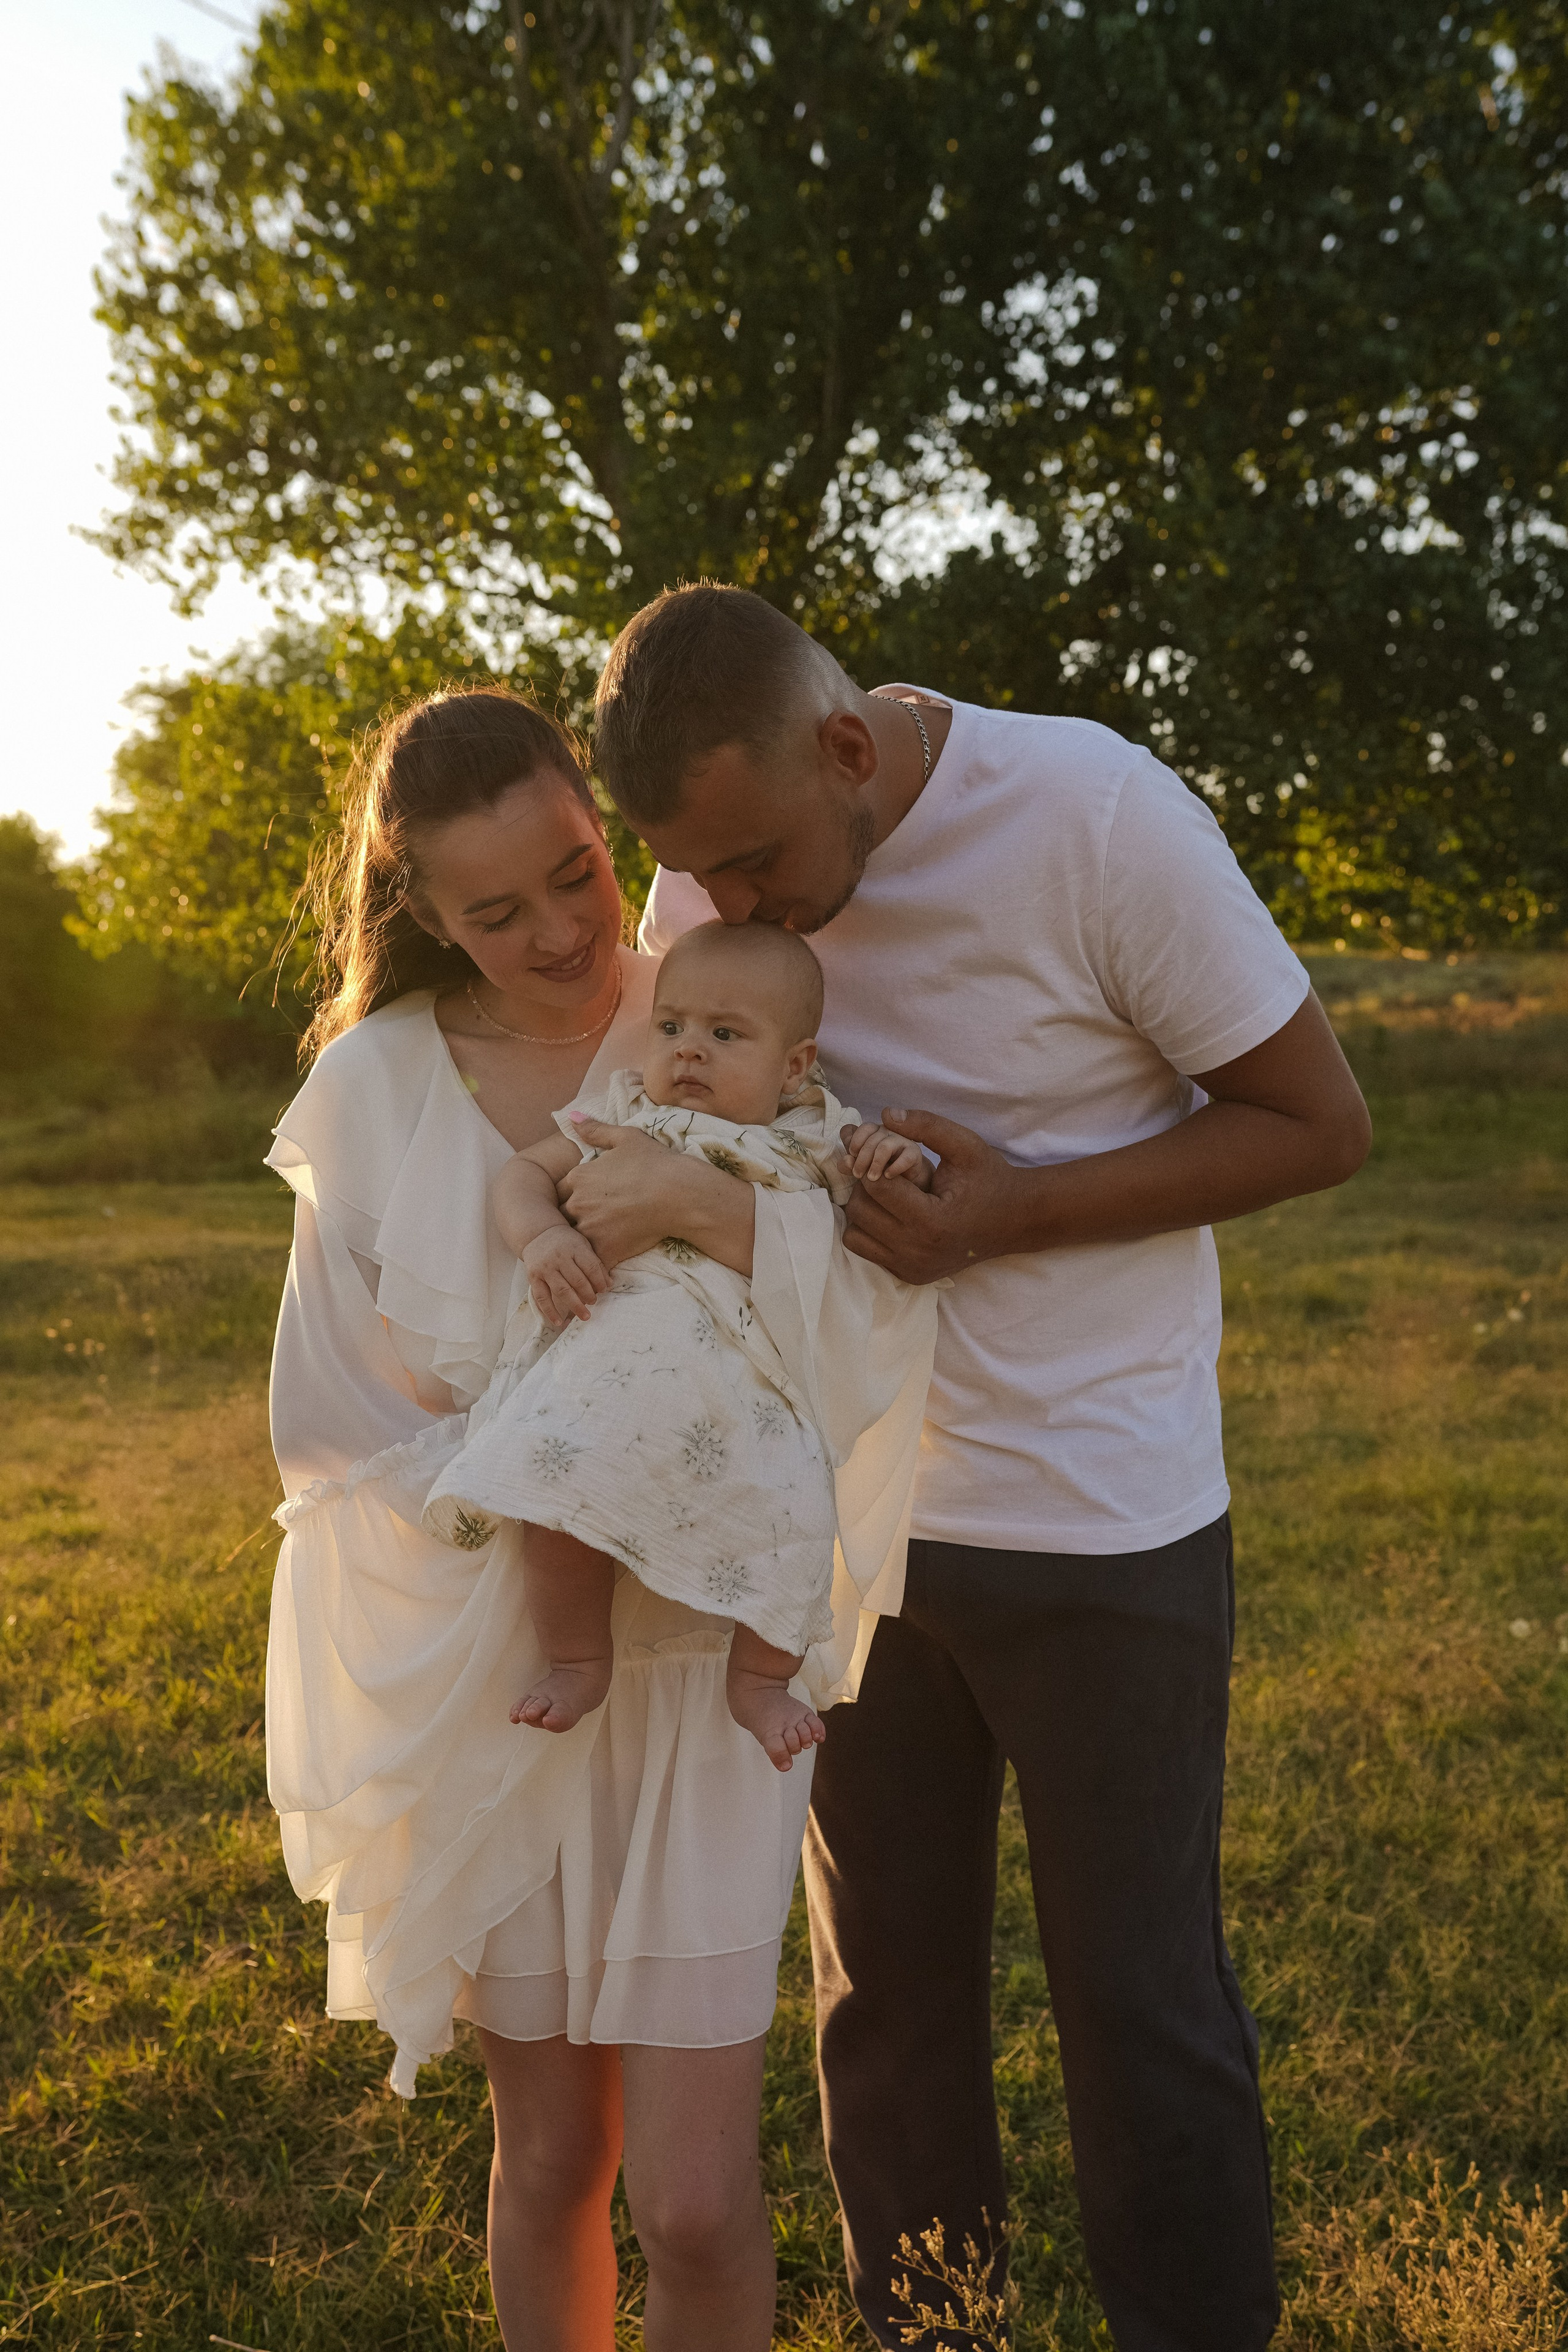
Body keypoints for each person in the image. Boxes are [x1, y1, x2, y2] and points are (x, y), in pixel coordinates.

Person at [581, 582, 1373, 2352]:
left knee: (1141, 2006)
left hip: (1106, 1527)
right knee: (889, 2018)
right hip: (855, 1534)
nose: (736, 915)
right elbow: (686, 1119)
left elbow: (1320, 1125)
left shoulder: (1097, 819)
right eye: (700, 882)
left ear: (848, 748)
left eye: (761, 867)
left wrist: (1010, 1212)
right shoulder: (715, 868)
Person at [262, 684, 932, 2352]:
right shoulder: (370, 1089)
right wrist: (540, 1474)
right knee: (554, 2149)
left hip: (709, 1667)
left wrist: (708, 1216)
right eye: (498, 910)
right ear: (418, 909)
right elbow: (329, 1432)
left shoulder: (716, 1017)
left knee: (696, 2200)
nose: (564, 931)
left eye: (578, 871)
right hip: (508, 1672)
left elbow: (867, 1324)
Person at [420, 919, 933, 1769]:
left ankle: (761, 1678)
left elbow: (885, 1210)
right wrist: (543, 1239)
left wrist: (893, 1158)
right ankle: (580, 1657)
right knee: (552, 1493)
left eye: (724, 1035)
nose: (689, 1052)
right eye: (672, 1027)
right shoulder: (628, 1111)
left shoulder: (817, 1136)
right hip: (612, 1362)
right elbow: (521, 1177)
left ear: (794, 1065)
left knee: (796, 1512)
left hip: (752, 1388)